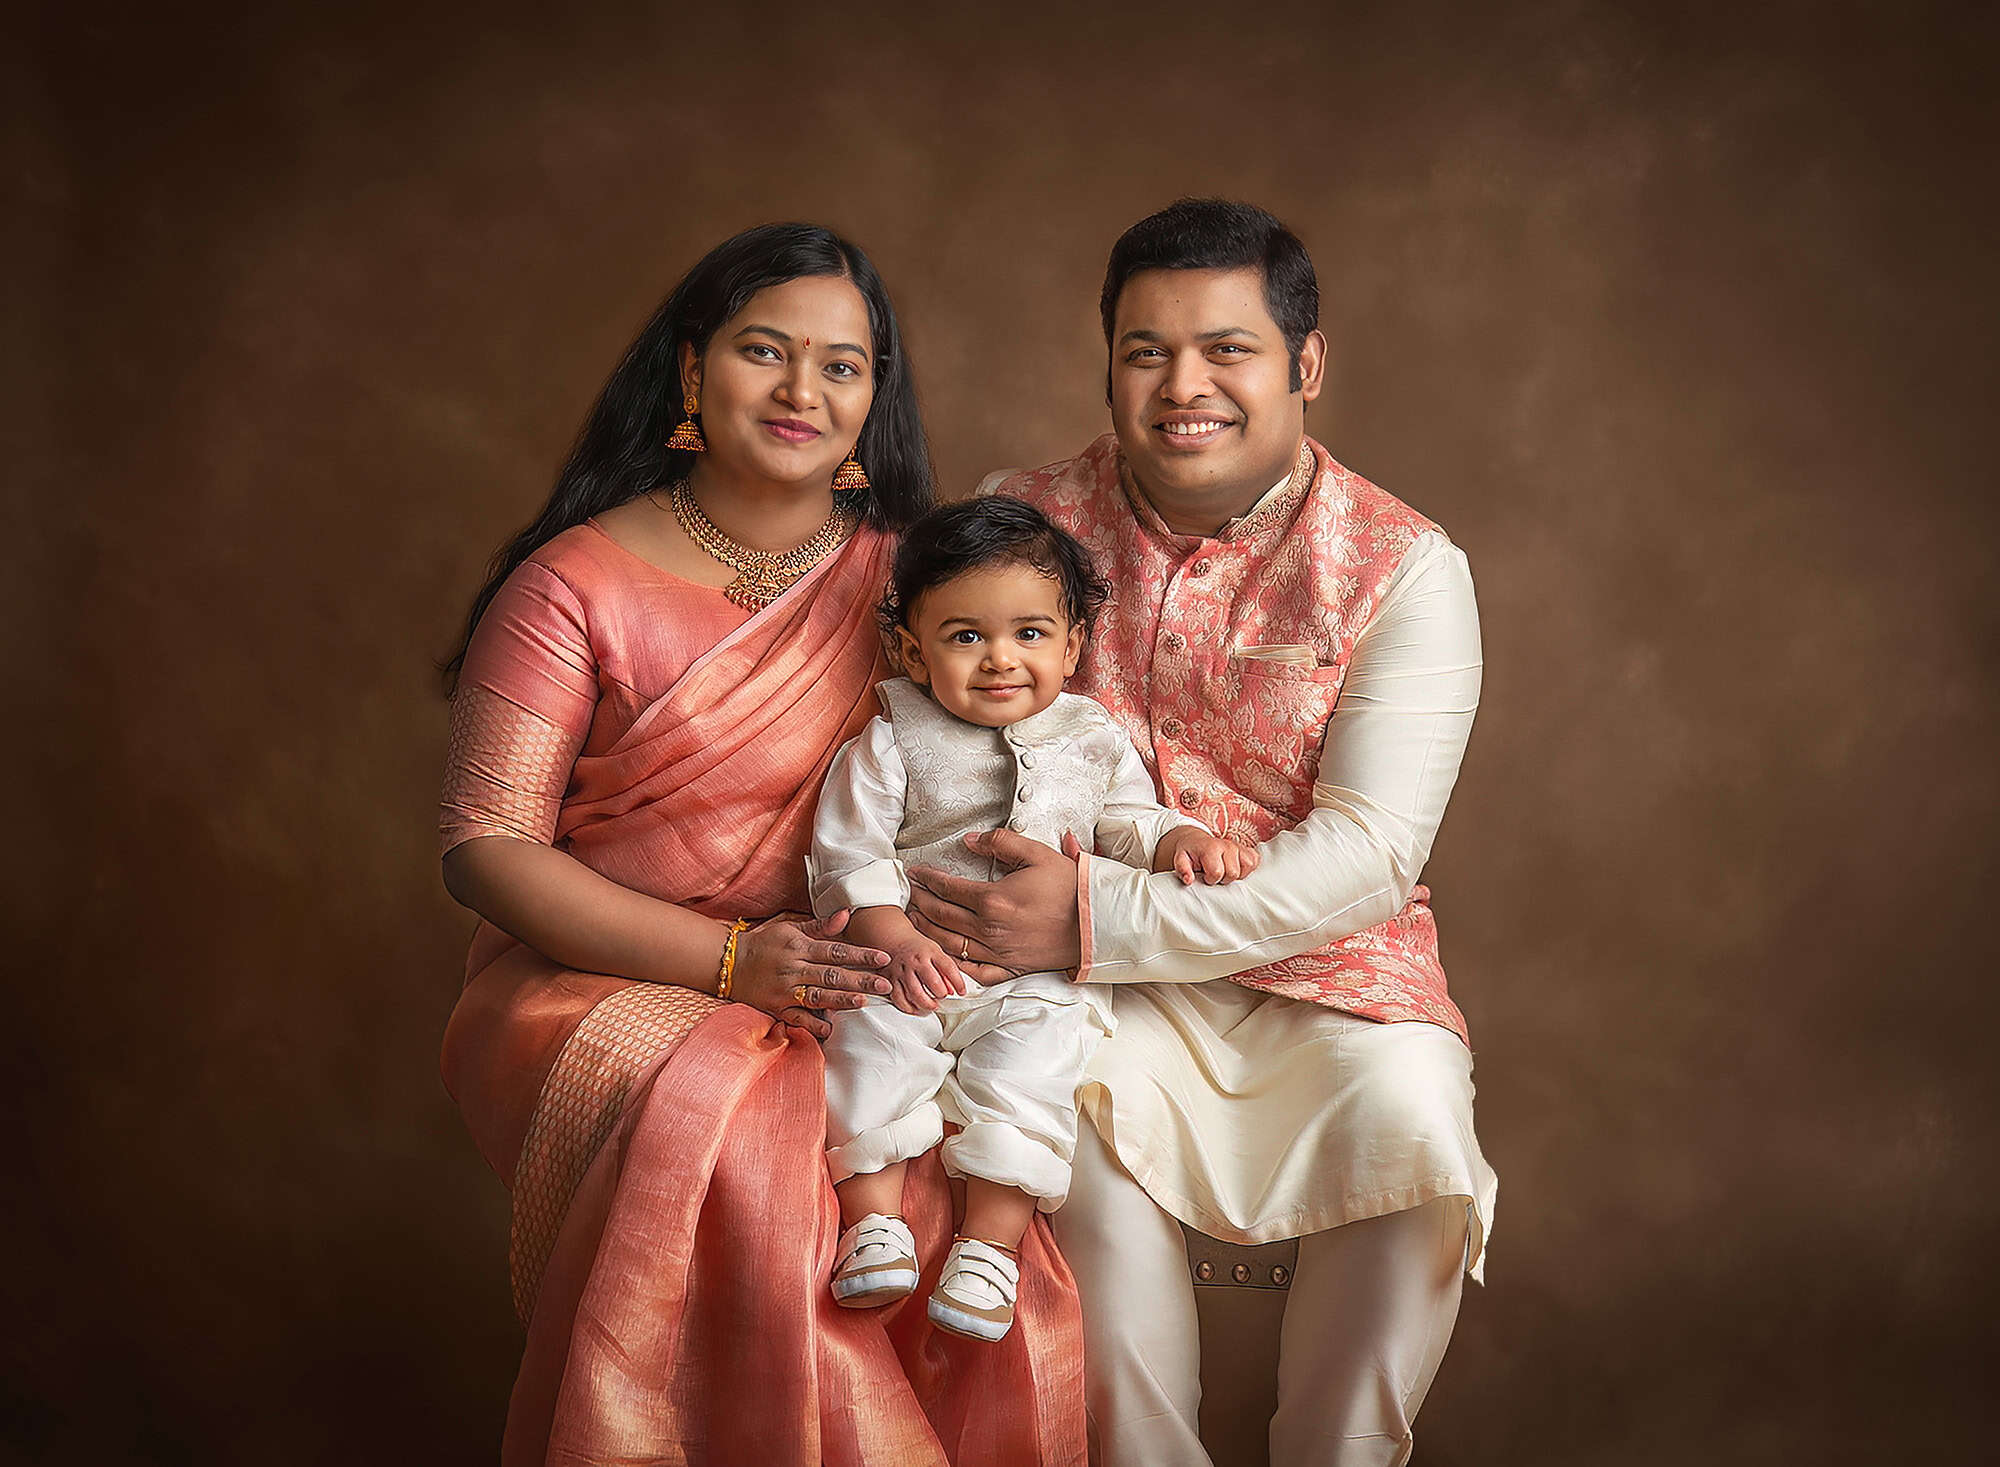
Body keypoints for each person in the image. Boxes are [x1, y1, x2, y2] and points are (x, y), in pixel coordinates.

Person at [437, 223, 1084, 1467]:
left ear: (870, 402)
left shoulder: (918, 592)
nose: (802, 391)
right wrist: (732, 965)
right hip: (610, 977)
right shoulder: (569, 583)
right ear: (690, 375)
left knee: (971, 1155)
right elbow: (484, 849)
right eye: (763, 352)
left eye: (842, 367)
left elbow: (1051, 758)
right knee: (761, 1147)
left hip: (869, 980)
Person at [906, 199, 1498, 1466]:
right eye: (1144, 351)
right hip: (1071, 987)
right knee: (1060, 1144)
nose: (1185, 387)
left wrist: (1102, 916)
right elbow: (913, 741)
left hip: (1328, 971)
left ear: (1306, 364)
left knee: (1417, 1139)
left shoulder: (1403, 567)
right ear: (1108, 360)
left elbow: (1366, 857)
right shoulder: (1018, 518)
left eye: (1226, 349)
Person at [807, 498, 1255, 1345]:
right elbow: (848, 848)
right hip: (911, 962)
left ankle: (989, 1247)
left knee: (1037, 1069)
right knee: (864, 1040)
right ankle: (872, 1220)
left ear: (1073, 645)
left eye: (1030, 634)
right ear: (912, 648)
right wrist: (890, 936)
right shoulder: (892, 736)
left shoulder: (1092, 735)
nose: (1000, 660)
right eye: (965, 636)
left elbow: (1131, 820)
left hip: (1035, 978)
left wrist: (1184, 839)